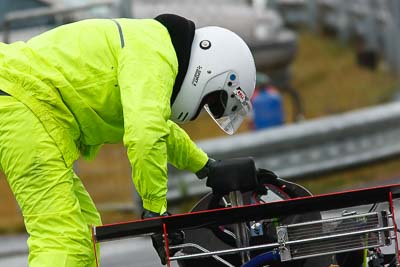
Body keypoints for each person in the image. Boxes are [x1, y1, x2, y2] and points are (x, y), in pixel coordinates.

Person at [0, 13, 256, 266]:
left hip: (25, 104)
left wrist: (205, 166)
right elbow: (146, 134)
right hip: (21, 102)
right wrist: (155, 210)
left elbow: (156, 126)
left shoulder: (152, 46)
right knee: (61, 236)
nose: (202, 109)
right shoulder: (156, 54)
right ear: (210, 70)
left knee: (83, 228)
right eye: (213, 101)